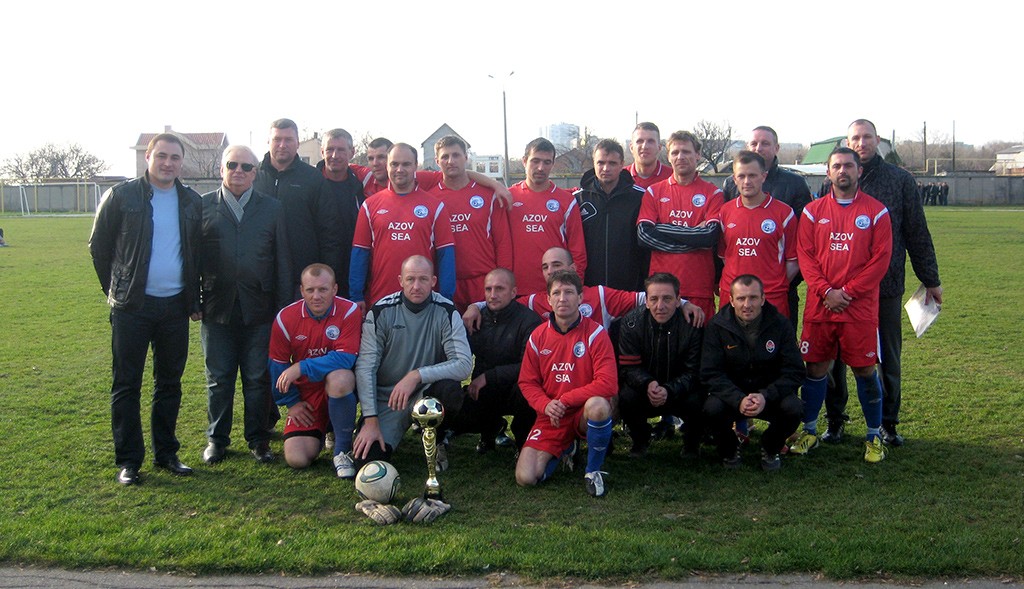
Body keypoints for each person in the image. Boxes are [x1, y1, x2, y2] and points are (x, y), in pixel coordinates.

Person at [89, 133, 202, 485]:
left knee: (169, 383)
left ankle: (166, 453)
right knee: (127, 384)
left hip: (174, 307)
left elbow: (196, 253)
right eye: (161, 156)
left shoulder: (191, 201)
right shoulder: (121, 196)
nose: (168, 163)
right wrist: (116, 290)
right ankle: (129, 461)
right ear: (148, 157)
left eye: (175, 157)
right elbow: (99, 247)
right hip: (132, 307)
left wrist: (193, 300)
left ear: (181, 162)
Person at [822, 120, 942, 446]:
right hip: (838, 290)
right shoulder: (833, 179)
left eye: (867, 137)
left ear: (878, 140)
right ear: (847, 141)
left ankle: (888, 423)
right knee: (833, 357)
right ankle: (835, 420)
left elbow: (917, 232)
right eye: (855, 138)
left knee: (888, 357)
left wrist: (931, 279)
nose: (861, 143)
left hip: (885, 287)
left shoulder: (899, 180)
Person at [790, 147, 893, 463]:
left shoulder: (876, 212)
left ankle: (873, 437)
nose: (843, 171)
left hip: (858, 308)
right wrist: (826, 291)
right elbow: (805, 256)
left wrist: (846, 292)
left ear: (859, 171)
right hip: (820, 307)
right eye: (837, 166)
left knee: (864, 369)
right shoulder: (812, 212)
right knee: (815, 367)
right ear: (828, 172)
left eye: (849, 165)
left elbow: (880, 261)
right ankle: (810, 431)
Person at [199, 145, 292, 466]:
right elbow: (192, 258)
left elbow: (282, 260)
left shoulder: (272, 208)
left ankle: (258, 439)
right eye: (232, 165)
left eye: (246, 166)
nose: (238, 171)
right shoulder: (202, 206)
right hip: (216, 307)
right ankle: (217, 439)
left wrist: (283, 308)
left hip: (260, 308)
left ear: (255, 172)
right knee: (219, 378)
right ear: (221, 169)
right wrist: (194, 300)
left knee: (257, 378)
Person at [352, 255, 473, 467]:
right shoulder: (381, 311)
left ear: (433, 281)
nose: (416, 286)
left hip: (425, 392)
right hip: (389, 399)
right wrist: (371, 420)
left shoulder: (447, 311)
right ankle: (370, 429)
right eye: (410, 279)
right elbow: (365, 368)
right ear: (400, 280)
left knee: (449, 390)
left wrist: (416, 375)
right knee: (367, 462)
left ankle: (437, 439)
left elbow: (464, 364)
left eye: (423, 279)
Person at [516, 269, 618, 497]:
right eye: (557, 293)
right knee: (526, 478)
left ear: (580, 298)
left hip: (582, 411)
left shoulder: (596, 333)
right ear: (548, 299)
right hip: (552, 415)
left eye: (569, 292)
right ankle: (566, 448)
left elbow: (608, 384)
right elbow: (527, 382)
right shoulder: (538, 336)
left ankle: (593, 471)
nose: (563, 298)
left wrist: (565, 399)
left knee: (599, 406)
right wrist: (546, 405)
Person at [701, 275, 804, 471]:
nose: (747, 305)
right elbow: (710, 373)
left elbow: (795, 371)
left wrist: (766, 395)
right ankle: (730, 449)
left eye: (753, 298)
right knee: (711, 408)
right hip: (733, 397)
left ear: (763, 299)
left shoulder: (781, 324)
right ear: (731, 300)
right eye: (741, 298)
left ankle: (770, 446)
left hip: (769, 396)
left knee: (794, 408)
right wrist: (738, 398)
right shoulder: (717, 326)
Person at [269, 264, 362, 475]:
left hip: (339, 388)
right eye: (310, 290)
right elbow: (277, 365)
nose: (316, 296)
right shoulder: (285, 318)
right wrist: (292, 403)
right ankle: (324, 430)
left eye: (323, 289)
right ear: (302, 291)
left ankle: (342, 449)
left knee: (340, 378)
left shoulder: (349, 311)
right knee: (297, 458)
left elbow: (346, 358)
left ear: (335, 289)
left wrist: (301, 366)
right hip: (307, 395)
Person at [723, 125, 813, 325]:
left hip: (775, 292)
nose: (758, 148)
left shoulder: (793, 188)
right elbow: (725, 251)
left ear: (776, 148)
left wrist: (777, 283)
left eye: (765, 143)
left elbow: (798, 247)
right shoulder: (727, 196)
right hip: (734, 292)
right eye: (754, 143)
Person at [349, 143, 456, 309]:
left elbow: (446, 256)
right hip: (381, 300)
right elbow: (360, 254)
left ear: (415, 166)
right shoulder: (370, 206)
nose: (399, 169)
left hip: (424, 301)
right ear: (387, 166)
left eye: (406, 164)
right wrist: (356, 295)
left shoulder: (435, 206)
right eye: (394, 164)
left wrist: (445, 298)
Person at [453, 268, 543, 452]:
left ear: (513, 292)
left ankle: (523, 444)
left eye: (500, 289)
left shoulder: (529, 321)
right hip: (481, 390)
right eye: (488, 289)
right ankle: (490, 430)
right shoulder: (475, 319)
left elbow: (529, 367)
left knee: (528, 393)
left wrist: (489, 377)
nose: (493, 295)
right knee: (453, 412)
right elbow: (458, 356)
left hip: (515, 389)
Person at [637, 130, 725, 318]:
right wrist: (693, 235)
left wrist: (661, 228)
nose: (680, 157)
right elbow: (644, 236)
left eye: (686, 151)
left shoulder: (713, 193)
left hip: (698, 288)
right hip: (662, 291)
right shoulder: (654, 192)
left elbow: (709, 237)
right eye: (675, 152)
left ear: (697, 154)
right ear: (668, 156)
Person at [617, 273, 704, 461]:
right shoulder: (631, 323)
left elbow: (694, 371)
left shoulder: (692, 325)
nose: (660, 306)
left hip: (680, 391)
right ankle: (640, 440)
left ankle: (692, 443)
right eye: (654, 299)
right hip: (645, 389)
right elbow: (627, 368)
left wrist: (669, 389)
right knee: (626, 396)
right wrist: (648, 384)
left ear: (678, 300)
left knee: (699, 396)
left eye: (667, 299)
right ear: (646, 301)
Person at [428, 135, 513, 311]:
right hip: (445, 283)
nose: (450, 161)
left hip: (484, 283)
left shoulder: (489, 195)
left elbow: (503, 242)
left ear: (466, 158)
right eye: (445, 157)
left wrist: (503, 280)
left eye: (456, 155)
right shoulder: (430, 198)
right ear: (437, 161)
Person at [253, 118, 333, 295]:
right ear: (268, 141)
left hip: (301, 279)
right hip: (258, 277)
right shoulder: (253, 176)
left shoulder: (313, 179)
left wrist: (323, 273)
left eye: (288, 139)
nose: (282, 145)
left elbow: (328, 232)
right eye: (277, 139)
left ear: (297, 143)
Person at [717, 151, 799, 318]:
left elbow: (793, 260)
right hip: (732, 295)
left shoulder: (784, 213)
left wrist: (775, 284)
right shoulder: (724, 212)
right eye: (741, 176)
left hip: (771, 296)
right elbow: (724, 256)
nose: (747, 181)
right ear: (734, 179)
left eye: (752, 175)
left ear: (763, 176)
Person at [507, 138, 587, 294]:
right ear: (524, 161)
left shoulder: (566, 200)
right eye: (535, 161)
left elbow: (578, 250)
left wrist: (574, 287)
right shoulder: (508, 197)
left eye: (547, 162)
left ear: (553, 164)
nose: (540, 168)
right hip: (516, 289)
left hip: (555, 290)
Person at [574, 138, 649, 291]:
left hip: (629, 288)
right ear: (594, 163)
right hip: (589, 288)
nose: (606, 168)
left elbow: (646, 247)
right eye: (601, 162)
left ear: (622, 165)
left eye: (612, 163)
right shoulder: (578, 200)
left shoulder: (641, 198)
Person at [315, 128, 365, 298]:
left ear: (352, 152)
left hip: (352, 273)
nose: (335, 155)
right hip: (318, 275)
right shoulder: (310, 185)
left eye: (341, 150)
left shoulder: (361, 187)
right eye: (330, 149)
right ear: (322, 152)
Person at [627, 122, 672, 190]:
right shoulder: (619, 177)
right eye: (640, 141)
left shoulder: (672, 177)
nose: (645, 146)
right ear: (631, 148)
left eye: (650, 141)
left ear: (659, 148)